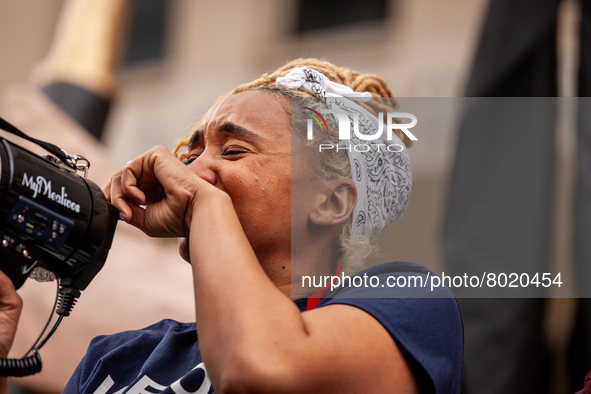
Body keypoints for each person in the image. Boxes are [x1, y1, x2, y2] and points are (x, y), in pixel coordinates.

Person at [0, 59, 463, 394]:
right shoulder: (118, 356)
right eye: (191, 155)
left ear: (331, 201)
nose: (192, 171)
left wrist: (204, 203)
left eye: (234, 151)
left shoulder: (405, 301)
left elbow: (261, 369)